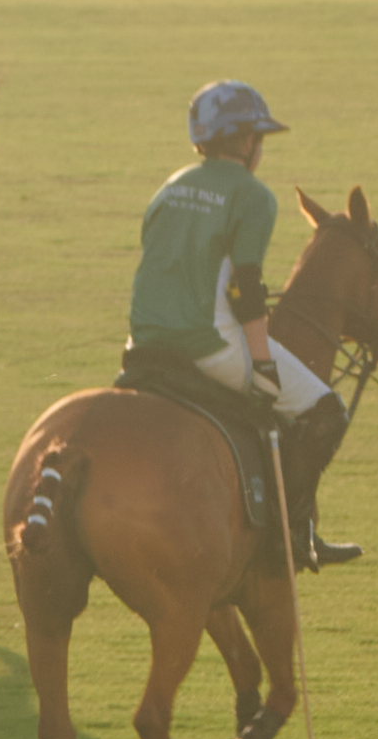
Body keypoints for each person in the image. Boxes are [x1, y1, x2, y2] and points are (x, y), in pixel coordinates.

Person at [122, 78, 351, 564]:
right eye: (259, 140)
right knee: (326, 410)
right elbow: (245, 291)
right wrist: (263, 363)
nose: (260, 150)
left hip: (141, 342)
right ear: (245, 141)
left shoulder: (171, 186)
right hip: (205, 344)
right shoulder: (253, 196)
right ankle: (291, 537)